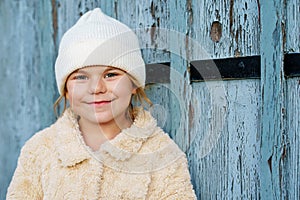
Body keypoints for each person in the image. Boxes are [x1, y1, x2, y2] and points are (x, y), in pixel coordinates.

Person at [7, 8, 196, 199]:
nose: (96, 88)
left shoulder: (162, 155)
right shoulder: (39, 151)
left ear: (133, 84)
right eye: (81, 77)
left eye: (111, 74)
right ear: (66, 90)